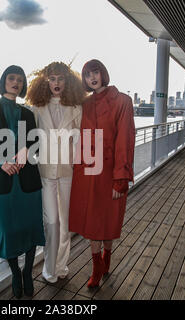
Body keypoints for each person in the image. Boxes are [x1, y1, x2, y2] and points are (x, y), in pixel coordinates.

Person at [0, 65, 45, 298]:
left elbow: (35, 143)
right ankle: (15, 272)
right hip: (3, 181)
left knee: (31, 227)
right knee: (10, 229)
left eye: (20, 79)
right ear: (4, 80)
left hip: (27, 181)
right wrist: (0, 161)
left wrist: (26, 149)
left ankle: (27, 273)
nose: (16, 82)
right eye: (11, 78)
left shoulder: (27, 113)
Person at [69, 59, 135, 288]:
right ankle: (97, 266)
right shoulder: (84, 105)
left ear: (103, 73)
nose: (92, 78)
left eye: (95, 72)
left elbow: (125, 140)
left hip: (112, 172)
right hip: (90, 173)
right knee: (93, 223)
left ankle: (107, 256)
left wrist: (120, 179)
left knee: (109, 221)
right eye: (87, 75)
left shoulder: (123, 101)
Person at [26, 62, 85, 283]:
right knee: (51, 222)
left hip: (68, 171)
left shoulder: (76, 107)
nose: (56, 83)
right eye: (52, 79)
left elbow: (81, 139)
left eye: (60, 78)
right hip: (45, 171)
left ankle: (61, 266)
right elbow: (30, 139)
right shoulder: (37, 108)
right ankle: (49, 269)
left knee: (65, 223)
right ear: (45, 81)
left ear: (67, 81)